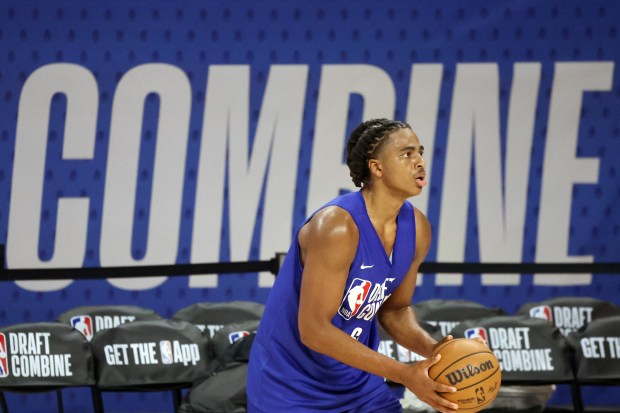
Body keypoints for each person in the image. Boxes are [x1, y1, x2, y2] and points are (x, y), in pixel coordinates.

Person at [247, 118, 459, 413]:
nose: (420, 162)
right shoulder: (336, 227)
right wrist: (405, 374)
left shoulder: (418, 228)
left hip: (357, 384)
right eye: (407, 154)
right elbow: (314, 330)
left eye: (420, 152)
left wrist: (437, 352)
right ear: (377, 168)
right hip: (291, 387)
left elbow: (395, 310)